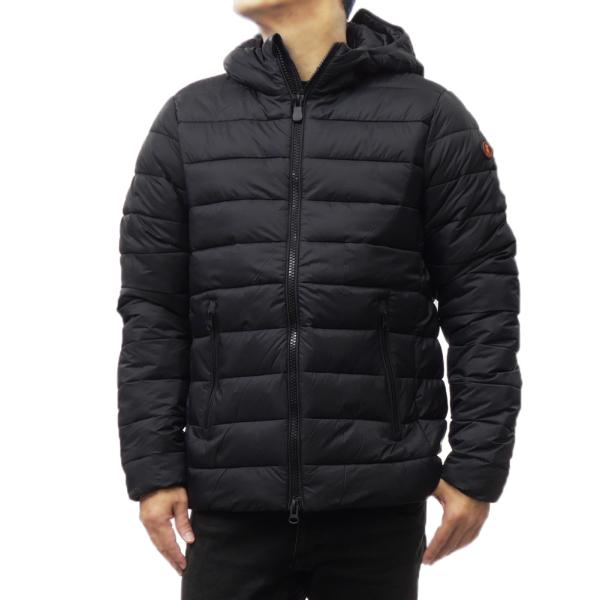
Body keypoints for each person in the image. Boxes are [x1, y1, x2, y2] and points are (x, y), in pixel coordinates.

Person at [116, 1, 522, 598]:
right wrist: (153, 469)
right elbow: (153, 311)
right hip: (229, 497)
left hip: (377, 495)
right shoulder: (189, 120)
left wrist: (478, 467)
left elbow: (483, 305)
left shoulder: (429, 117)